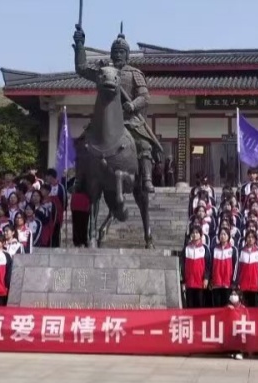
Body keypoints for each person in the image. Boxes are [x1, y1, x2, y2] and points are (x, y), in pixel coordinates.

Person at [73, 24, 163, 192]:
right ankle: (79, 179)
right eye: (115, 52)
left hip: (128, 119)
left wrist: (132, 104)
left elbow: (145, 96)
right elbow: (82, 68)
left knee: (144, 145)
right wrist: (79, 45)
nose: (118, 55)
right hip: (105, 118)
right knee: (82, 144)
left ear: (127, 55)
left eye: (121, 52)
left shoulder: (134, 73)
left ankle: (146, 179)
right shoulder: (104, 72)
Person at [181, 228, 211, 308]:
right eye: (193, 232)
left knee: (200, 305)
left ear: (200, 235)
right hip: (189, 282)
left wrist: (206, 278)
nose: (194, 234)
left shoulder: (205, 248)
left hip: (200, 282)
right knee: (189, 305)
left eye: (197, 232)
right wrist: (183, 280)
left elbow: (208, 265)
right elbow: (182, 265)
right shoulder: (186, 248)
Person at [209, 228, 238, 307]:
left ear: (228, 236)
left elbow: (236, 266)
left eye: (225, 234)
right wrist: (210, 279)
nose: (222, 236)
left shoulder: (233, 249)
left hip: (228, 283)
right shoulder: (213, 249)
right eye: (221, 234)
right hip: (216, 282)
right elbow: (210, 265)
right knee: (217, 306)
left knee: (227, 306)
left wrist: (233, 281)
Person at [227, 289, 247, 360]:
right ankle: (232, 351)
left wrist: (234, 311)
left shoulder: (243, 308)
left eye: (235, 295)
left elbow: (246, 320)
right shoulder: (228, 307)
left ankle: (240, 352)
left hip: (240, 329)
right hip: (230, 329)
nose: (233, 296)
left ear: (240, 296)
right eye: (232, 294)